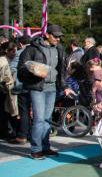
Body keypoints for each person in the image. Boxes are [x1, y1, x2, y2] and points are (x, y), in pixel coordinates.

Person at [16, 24, 67, 159]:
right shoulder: (32, 49)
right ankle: (36, 149)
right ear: (47, 35)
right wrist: (34, 71)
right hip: (37, 88)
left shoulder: (59, 49)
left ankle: (45, 147)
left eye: (59, 37)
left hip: (52, 88)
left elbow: (62, 70)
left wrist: (65, 86)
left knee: (47, 120)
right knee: (39, 119)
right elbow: (21, 70)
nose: (58, 39)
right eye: (55, 36)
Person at [11, 35, 31, 144]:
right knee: (35, 111)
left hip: (22, 86)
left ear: (20, 44)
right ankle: (33, 134)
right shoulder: (37, 51)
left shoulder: (19, 53)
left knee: (24, 111)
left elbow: (13, 69)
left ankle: (23, 135)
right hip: (36, 87)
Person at [0, 41, 20, 142]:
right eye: (13, 51)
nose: (15, 53)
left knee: (6, 112)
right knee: (5, 112)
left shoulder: (7, 60)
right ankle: (6, 133)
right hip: (4, 89)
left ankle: (6, 132)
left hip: (6, 89)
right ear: (7, 51)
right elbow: (4, 76)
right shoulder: (3, 61)